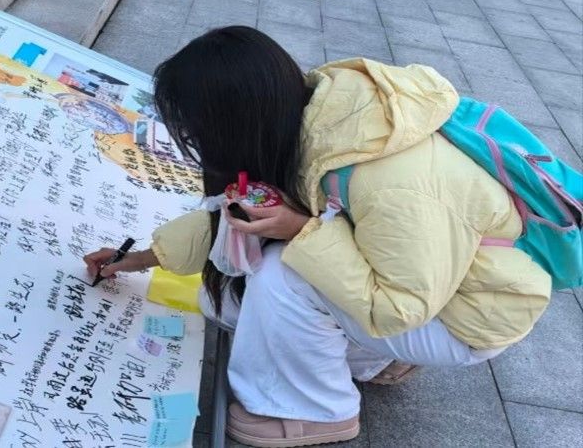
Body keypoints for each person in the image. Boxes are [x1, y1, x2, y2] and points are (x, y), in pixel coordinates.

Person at [83, 26, 552, 447]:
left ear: (234, 121)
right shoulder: (319, 121)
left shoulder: (390, 181)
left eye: (198, 129)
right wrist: (141, 258)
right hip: (424, 284)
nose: (195, 141)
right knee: (225, 302)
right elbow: (236, 210)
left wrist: (301, 230)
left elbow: (399, 307)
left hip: (466, 315)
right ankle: (373, 361)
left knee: (279, 277)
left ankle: (316, 412)